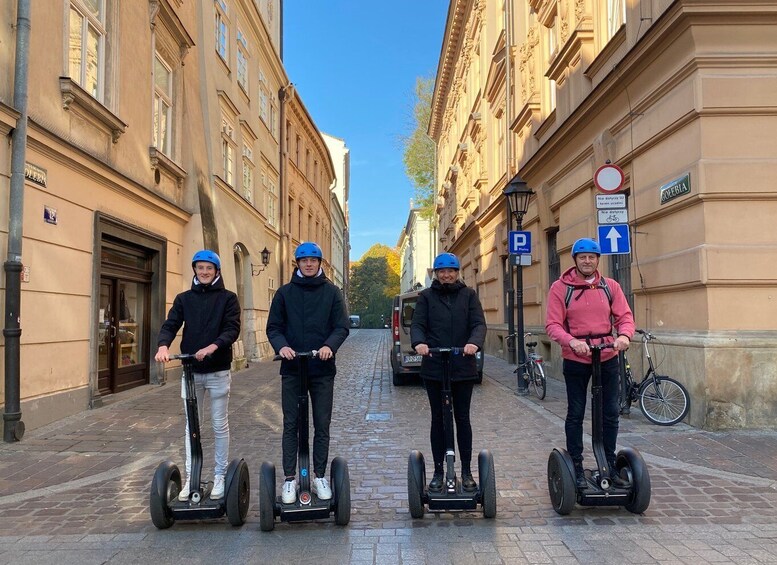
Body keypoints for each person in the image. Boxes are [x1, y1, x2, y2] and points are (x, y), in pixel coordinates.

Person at [545, 238, 635, 489]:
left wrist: (625, 335)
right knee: (576, 412)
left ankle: (607, 461)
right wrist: (571, 341)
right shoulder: (561, 288)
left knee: (609, 412)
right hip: (577, 357)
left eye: (592, 257)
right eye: (583, 257)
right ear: (575, 260)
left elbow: (625, 316)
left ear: (598, 260)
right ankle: (575, 463)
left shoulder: (610, 286)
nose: (587, 261)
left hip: (606, 356)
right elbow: (552, 325)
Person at [266, 242, 350, 504]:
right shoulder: (284, 293)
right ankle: (290, 478)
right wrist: (283, 347)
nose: (309, 264)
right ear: (298, 264)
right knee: (291, 424)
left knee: (321, 424)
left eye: (314, 260)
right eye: (304, 261)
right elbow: (274, 327)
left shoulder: (332, 292)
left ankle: (319, 475)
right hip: (292, 369)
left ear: (320, 263)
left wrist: (328, 346)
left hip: (322, 369)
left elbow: (341, 326)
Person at [155, 250, 241, 501]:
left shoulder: (228, 299)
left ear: (217, 271)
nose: (204, 272)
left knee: (218, 424)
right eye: (200, 268)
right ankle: (192, 478)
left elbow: (231, 329)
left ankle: (220, 476)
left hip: (218, 371)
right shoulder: (184, 299)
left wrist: (213, 347)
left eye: (209, 268)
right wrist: (163, 346)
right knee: (191, 426)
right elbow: (171, 324)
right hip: (191, 372)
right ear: (195, 270)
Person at [410, 252, 487, 492]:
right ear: (436, 273)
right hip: (434, 366)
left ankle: (465, 470)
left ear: (457, 272)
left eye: (451, 271)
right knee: (439, 419)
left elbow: (478, 324)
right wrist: (419, 343)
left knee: (462, 418)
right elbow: (418, 325)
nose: (446, 275)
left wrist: (474, 343)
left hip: (462, 365)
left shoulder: (469, 295)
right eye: (442, 271)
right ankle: (438, 471)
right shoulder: (425, 297)